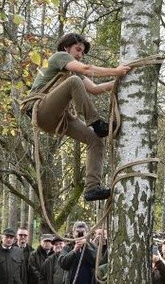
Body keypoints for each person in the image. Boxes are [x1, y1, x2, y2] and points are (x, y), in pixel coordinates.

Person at [25, 32, 131, 202]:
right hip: (41, 111)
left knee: (96, 140)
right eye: (78, 50)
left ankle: (92, 188)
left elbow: (95, 89)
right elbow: (86, 69)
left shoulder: (74, 73)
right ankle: (96, 123)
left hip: (60, 118)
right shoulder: (60, 57)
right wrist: (116, 71)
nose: (80, 55)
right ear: (66, 47)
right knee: (74, 82)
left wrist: (121, 82)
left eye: (82, 52)